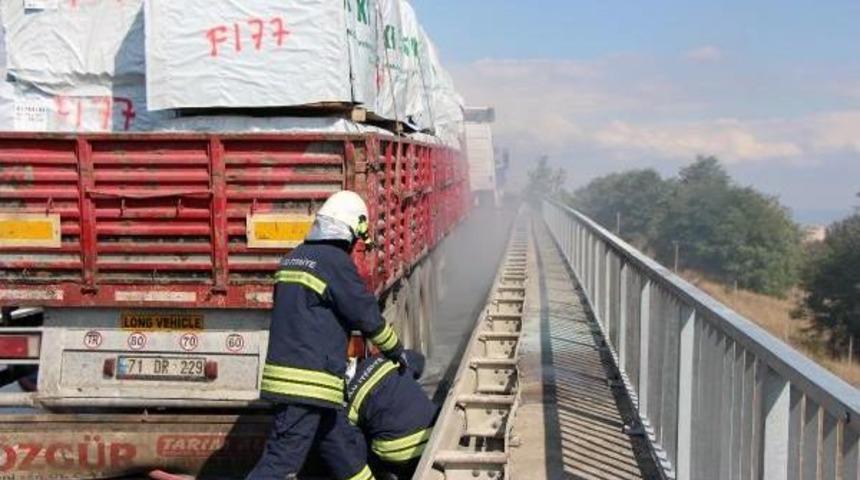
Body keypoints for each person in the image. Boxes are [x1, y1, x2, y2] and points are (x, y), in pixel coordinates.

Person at [247, 191, 409, 480]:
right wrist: (397, 351)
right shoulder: (335, 263)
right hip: (307, 385)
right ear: (349, 229)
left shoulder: (292, 258)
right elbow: (366, 316)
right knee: (280, 462)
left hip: (302, 384)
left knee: (341, 450)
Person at [346, 349, 438, 480]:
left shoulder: (347, 400)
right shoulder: (386, 360)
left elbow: (355, 442)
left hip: (395, 456)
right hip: (433, 436)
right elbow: (419, 362)